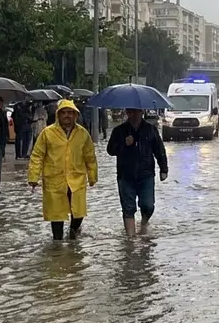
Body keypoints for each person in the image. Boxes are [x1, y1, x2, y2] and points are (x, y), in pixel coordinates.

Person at [28, 99, 98, 240]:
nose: (67, 116)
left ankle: (73, 231)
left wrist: (92, 176)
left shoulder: (83, 134)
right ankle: (57, 247)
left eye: (70, 113)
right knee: (56, 214)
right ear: (58, 115)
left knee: (78, 212)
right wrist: (33, 177)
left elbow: (90, 156)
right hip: (55, 179)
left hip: (76, 180)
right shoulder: (47, 133)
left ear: (75, 115)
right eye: (64, 113)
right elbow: (37, 155)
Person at [107, 108, 169, 234]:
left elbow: (159, 150)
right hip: (125, 175)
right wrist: (124, 144)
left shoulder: (151, 130)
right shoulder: (119, 131)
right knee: (128, 208)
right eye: (130, 112)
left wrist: (164, 169)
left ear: (142, 112)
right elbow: (110, 150)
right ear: (126, 113)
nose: (133, 115)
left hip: (146, 175)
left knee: (148, 206)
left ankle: (144, 223)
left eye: (136, 112)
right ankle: (130, 241)